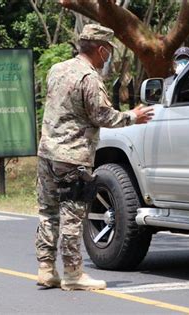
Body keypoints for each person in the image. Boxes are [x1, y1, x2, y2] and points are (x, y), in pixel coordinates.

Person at [35, 24, 154, 291]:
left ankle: (45, 269)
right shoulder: (89, 78)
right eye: (108, 51)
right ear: (101, 50)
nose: (108, 57)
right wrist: (133, 116)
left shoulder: (57, 69)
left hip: (47, 153)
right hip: (73, 156)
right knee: (72, 214)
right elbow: (102, 116)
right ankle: (74, 274)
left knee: (47, 212)